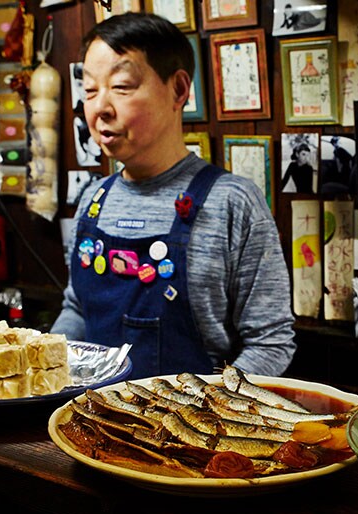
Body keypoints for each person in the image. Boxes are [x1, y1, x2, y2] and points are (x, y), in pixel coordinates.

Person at [51, 13, 296, 378]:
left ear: (179, 90)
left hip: (194, 426)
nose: (99, 107)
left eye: (120, 86)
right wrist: (44, 366)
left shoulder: (231, 202)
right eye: (89, 90)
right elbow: (77, 310)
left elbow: (270, 342)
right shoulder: (94, 199)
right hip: (93, 421)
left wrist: (209, 408)